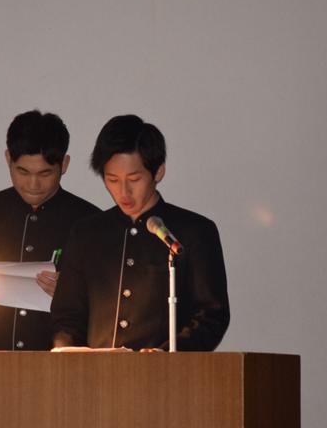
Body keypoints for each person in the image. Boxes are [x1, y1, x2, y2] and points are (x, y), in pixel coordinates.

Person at [51, 114, 229, 351]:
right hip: (94, 371)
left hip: (166, 371)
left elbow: (211, 315)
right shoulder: (87, 233)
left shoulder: (194, 231)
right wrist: (66, 355)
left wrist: (168, 355)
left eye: (134, 179)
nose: (123, 192)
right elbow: (67, 316)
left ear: (158, 172)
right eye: (112, 179)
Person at [0, 110, 99, 350]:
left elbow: (105, 311)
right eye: (23, 172)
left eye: (45, 173)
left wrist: (72, 296)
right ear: (8, 159)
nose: (33, 184)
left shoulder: (89, 221)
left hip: (60, 363)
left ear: (64, 165)